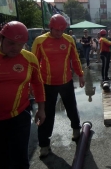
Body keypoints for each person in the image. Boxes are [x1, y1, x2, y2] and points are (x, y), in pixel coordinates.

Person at [32, 14, 85, 157]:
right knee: (46, 114)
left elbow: (75, 58)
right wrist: (31, 83)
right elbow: (33, 64)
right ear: (50, 27)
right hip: (47, 84)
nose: (59, 33)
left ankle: (76, 129)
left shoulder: (68, 40)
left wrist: (80, 74)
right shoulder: (40, 41)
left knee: (71, 107)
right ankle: (44, 145)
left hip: (66, 82)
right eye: (56, 30)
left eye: (62, 30)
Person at [0, 21, 46, 169]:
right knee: (1, 160)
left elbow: (37, 83)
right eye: (11, 43)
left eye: (21, 44)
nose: (16, 48)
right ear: (0, 38)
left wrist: (41, 109)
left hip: (19, 116)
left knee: (20, 160)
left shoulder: (29, 58)